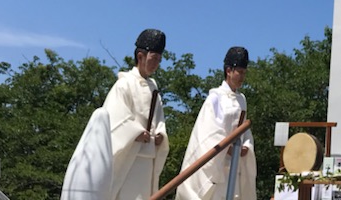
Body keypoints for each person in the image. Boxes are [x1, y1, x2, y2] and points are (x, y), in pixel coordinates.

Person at [178, 47, 256, 200]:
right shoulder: (215, 98)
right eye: (239, 72)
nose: (242, 76)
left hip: (236, 163)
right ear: (229, 71)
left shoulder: (242, 100)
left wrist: (246, 146)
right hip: (219, 164)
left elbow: (244, 129)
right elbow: (208, 131)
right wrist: (227, 148)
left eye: (244, 72)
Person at [103, 28, 170, 200]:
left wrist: (160, 133)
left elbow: (159, 118)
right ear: (140, 56)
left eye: (159, 60)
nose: (156, 64)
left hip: (148, 159)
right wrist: (136, 133)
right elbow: (115, 118)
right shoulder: (124, 85)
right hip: (129, 158)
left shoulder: (153, 88)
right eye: (153, 58)